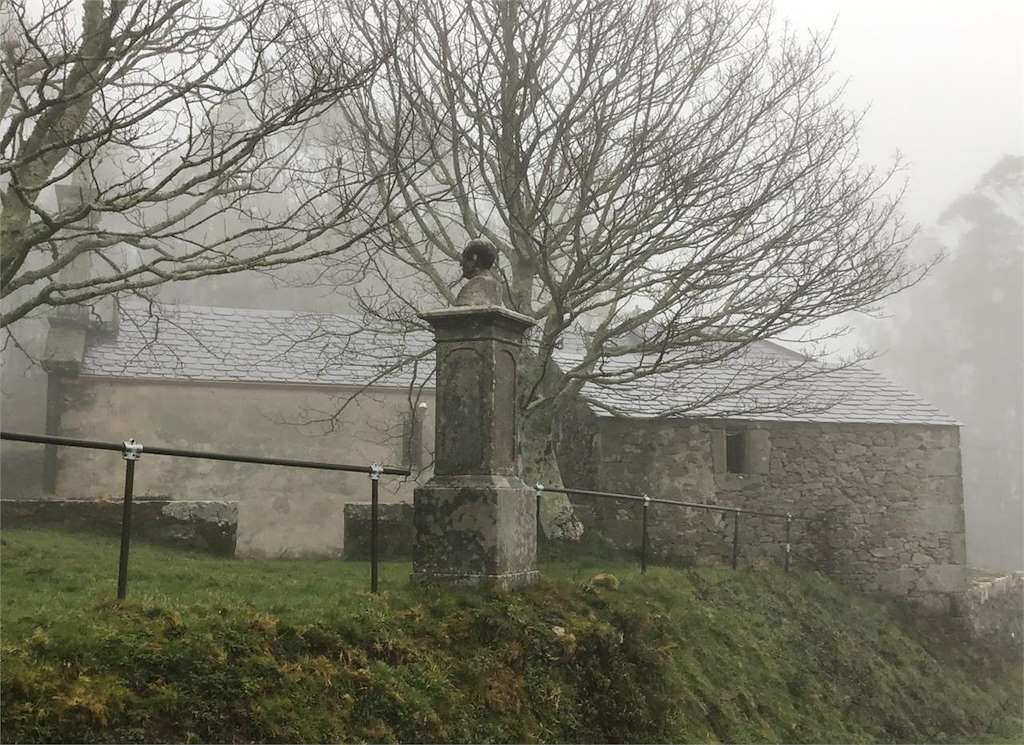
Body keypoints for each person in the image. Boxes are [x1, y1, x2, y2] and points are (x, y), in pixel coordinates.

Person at [455, 238, 505, 306]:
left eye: (465, 259)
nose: (461, 264)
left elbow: (461, 314)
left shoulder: (476, 284)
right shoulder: (497, 286)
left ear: (474, 258)